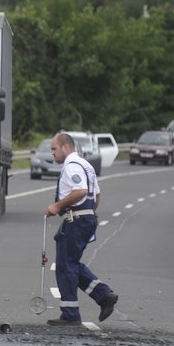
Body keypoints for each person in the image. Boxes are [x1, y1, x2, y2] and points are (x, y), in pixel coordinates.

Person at [44, 132, 118, 326]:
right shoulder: (86, 165)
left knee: (66, 265)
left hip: (76, 220)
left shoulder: (71, 166)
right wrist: (89, 213)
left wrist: (58, 206)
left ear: (66, 147)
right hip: (85, 218)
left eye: (54, 149)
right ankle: (103, 295)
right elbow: (96, 196)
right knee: (70, 263)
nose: (52, 153)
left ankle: (71, 314)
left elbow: (82, 191)